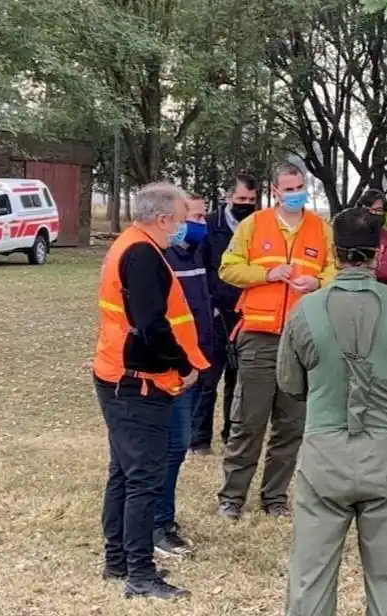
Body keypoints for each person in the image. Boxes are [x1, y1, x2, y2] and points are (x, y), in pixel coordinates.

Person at [277, 207, 387, 616]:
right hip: (385, 452)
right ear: (378, 253)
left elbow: (290, 385)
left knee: (311, 573)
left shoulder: (305, 310)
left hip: (324, 451)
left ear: (334, 251)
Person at [92, 182, 210, 599]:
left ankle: (117, 560)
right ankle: (140, 574)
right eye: (183, 218)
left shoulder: (133, 244)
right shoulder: (142, 253)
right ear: (163, 219)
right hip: (137, 383)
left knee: (124, 472)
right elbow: (152, 325)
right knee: (143, 477)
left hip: (121, 375)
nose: (188, 226)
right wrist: (182, 365)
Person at [217, 162, 337, 520]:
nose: (296, 193)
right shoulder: (255, 225)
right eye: (288, 188)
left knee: (291, 424)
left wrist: (318, 283)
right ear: (275, 190)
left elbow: (334, 269)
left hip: (303, 338)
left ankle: (275, 498)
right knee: (248, 422)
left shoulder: (320, 228)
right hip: (259, 336)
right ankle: (232, 497)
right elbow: (228, 267)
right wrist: (267, 274)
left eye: (300, 186)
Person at [152, 193, 213, 557]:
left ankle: (162, 518)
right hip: (170, 368)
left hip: (193, 364)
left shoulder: (196, 253)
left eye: (205, 217)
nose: (201, 225)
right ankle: (156, 524)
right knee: (169, 447)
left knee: (177, 445)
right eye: (193, 218)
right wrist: (182, 364)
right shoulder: (159, 258)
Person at [191, 172, 259, 455]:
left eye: (251, 200)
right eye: (241, 198)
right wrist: (212, 308)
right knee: (208, 380)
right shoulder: (209, 227)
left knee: (237, 380)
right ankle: (198, 439)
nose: (246, 204)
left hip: (247, 316)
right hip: (215, 315)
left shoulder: (259, 227)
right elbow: (201, 270)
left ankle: (232, 434)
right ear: (228, 198)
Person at [356, 188, 387, 287]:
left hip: (380, 293)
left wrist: (357, 267)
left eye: (378, 210)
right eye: (369, 209)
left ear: (384, 213)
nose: (373, 213)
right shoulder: (349, 234)